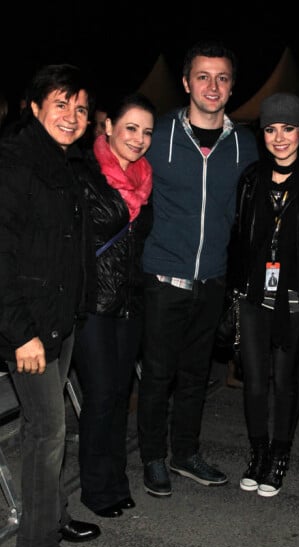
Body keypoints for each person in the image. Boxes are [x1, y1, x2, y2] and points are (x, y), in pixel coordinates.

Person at [137, 39, 259, 497]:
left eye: (222, 78)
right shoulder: (159, 132)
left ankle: (184, 453)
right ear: (187, 82)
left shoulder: (244, 144)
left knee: (194, 377)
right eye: (203, 76)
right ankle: (153, 457)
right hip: (162, 278)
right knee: (158, 374)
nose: (213, 85)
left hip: (212, 280)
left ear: (231, 88)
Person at [0, 63, 101, 547]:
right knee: (47, 431)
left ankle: (53, 516)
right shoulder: (16, 163)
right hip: (30, 329)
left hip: (60, 320)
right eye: (61, 104)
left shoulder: (66, 162)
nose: (71, 115)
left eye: (80, 107)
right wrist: (21, 333)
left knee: (53, 429)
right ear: (36, 107)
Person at [71, 93, 156, 518]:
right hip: (92, 306)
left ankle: (117, 479)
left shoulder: (146, 178)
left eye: (146, 131)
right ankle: (96, 488)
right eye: (130, 128)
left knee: (120, 394)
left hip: (129, 305)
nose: (139, 139)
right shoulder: (84, 173)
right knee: (101, 395)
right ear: (108, 128)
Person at [229, 92, 299, 497]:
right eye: (270, 129)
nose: (279, 137)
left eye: (287, 128)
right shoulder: (250, 179)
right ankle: (259, 452)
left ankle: (280, 455)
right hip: (253, 296)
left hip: (295, 298)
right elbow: (237, 237)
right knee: (254, 384)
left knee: (285, 383)